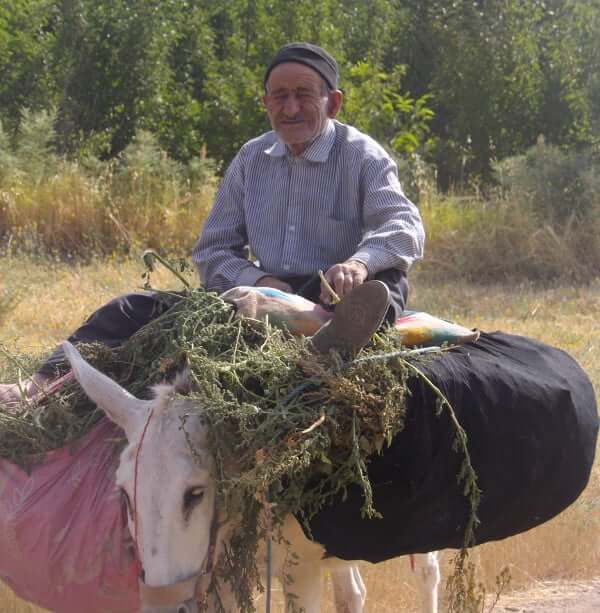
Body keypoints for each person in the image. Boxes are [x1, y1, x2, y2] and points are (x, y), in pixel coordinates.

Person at [0, 42, 424, 406]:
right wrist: (260, 280)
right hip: (260, 298)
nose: (290, 108)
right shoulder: (250, 159)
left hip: (334, 293)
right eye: (279, 97)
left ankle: (327, 329)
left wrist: (360, 264)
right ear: (265, 104)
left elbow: (403, 224)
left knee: (385, 282)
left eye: (303, 95)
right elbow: (213, 249)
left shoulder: (362, 155)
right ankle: (38, 386)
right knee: (128, 310)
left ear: (333, 102)